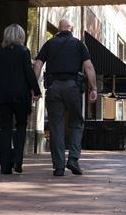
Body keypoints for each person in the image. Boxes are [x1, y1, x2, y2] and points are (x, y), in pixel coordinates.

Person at [33, 18, 98, 176]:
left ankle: (59, 167)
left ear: (59, 29)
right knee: (77, 122)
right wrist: (94, 87)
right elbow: (89, 66)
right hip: (73, 87)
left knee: (56, 126)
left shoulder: (49, 43)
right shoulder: (78, 44)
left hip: (54, 87)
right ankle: (73, 159)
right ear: (71, 28)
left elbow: (37, 65)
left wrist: (34, 88)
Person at [0, 23, 41, 174]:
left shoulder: (0, 52)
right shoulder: (23, 51)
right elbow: (28, 73)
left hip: (3, 96)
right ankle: (17, 161)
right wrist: (37, 91)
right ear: (20, 36)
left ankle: (5, 166)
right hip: (20, 96)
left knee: (5, 129)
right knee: (21, 126)